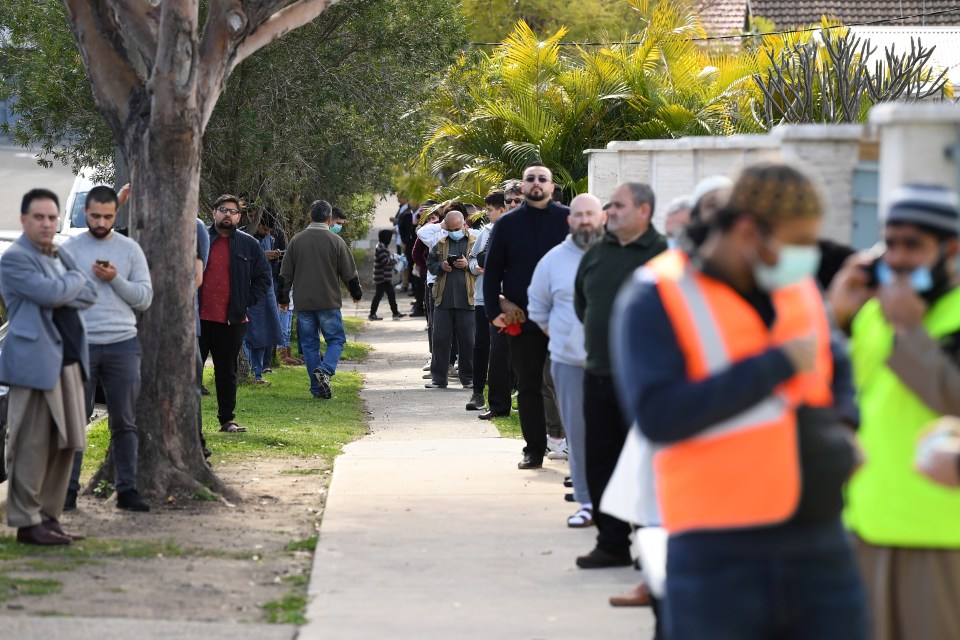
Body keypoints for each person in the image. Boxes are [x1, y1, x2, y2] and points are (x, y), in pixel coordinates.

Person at [614, 162, 865, 639]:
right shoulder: (656, 294)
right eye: (797, 242)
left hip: (821, 539)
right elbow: (658, 415)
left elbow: (834, 363)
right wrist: (774, 365)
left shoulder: (792, 285)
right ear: (749, 231)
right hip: (718, 550)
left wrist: (846, 427)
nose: (805, 256)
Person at [830, 184, 960, 640]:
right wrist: (837, 319)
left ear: (951, 249)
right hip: (867, 525)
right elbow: (845, 395)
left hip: (943, 538)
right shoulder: (874, 311)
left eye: (914, 245)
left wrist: (909, 330)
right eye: (892, 242)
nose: (898, 258)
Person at [572, 182, 667, 568]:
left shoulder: (663, 255)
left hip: (647, 381)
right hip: (598, 375)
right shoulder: (597, 252)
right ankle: (611, 543)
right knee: (602, 461)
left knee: (646, 466)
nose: (609, 212)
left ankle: (649, 545)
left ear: (644, 211)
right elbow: (583, 305)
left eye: (619, 206)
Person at [1, 188, 97, 545]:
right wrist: (71, 283)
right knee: (31, 443)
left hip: (69, 361)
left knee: (67, 442)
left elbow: (89, 293)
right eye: (38, 217)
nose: (46, 223)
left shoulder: (58, 253)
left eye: (52, 217)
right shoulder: (14, 258)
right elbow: (51, 294)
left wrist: (68, 284)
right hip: (35, 364)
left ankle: (48, 517)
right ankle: (27, 522)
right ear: (24, 220)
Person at [62, 185, 153, 512]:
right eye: (96, 216)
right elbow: (58, 298)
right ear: (85, 212)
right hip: (80, 343)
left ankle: (126, 490)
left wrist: (114, 278)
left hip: (122, 345)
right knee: (75, 420)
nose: (101, 222)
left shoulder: (129, 250)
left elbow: (144, 298)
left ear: (117, 214)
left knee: (124, 420)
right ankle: (68, 490)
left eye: (108, 216)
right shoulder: (70, 249)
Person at [483, 164, 570, 469]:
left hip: (565, 318)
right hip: (522, 316)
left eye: (542, 179)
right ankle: (534, 448)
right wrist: (494, 312)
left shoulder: (568, 219)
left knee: (568, 382)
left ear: (550, 185)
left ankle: (572, 444)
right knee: (529, 384)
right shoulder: (507, 224)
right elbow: (493, 270)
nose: (536, 183)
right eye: (530, 179)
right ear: (522, 186)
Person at [527, 193, 606, 528]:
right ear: (570, 220)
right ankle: (587, 503)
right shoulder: (553, 261)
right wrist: (565, 341)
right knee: (578, 432)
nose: (585, 220)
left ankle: (616, 503)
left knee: (615, 432)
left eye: (591, 214)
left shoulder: (618, 256)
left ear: (602, 218)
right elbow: (538, 309)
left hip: (615, 364)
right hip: (569, 363)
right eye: (579, 215)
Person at [198, 194, 273, 432]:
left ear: (239, 217)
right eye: (223, 210)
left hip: (231, 320)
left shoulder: (249, 244)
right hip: (196, 319)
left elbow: (264, 278)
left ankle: (226, 420)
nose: (227, 214)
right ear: (214, 213)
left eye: (232, 211)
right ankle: (187, 422)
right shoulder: (200, 239)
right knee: (189, 372)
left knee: (226, 372)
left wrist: (244, 302)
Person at [279, 200, 362, 399]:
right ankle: (325, 370)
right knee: (336, 340)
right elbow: (349, 273)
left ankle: (317, 389)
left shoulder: (296, 241)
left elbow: (285, 274)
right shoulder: (336, 241)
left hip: (304, 303)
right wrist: (356, 294)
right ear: (328, 219)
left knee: (309, 346)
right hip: (328, 302)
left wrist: (283, 298)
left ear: (310, 216)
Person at [425, 210, 475, 389]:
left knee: (468, 341)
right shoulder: (440, 243)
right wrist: (441, 266)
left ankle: (468, 378)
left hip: (467, 300)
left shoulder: (474, 242)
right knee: (440, 340)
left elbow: (484, 264)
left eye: (457, 228)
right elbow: (430, 264)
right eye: (450, 228)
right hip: (443, 300)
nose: (453, 232)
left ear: (464, 225)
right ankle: (438, 379)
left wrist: (468, 266)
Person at [466, 191, 506, 412]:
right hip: (483, 297)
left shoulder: (513, 231)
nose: (486, 214)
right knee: (481, 344)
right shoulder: (486, 232)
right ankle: (477, 391)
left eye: (489, 210)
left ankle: (505, 393)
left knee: (503, 349)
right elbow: (473, 258)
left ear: (501, 210)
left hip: (507, 297)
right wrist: (476, 267)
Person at [240, 211, 283, 384]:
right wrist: (261, 256)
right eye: (264, 228)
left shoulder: (269, 238)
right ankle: (250, 370)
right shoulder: (243, 236)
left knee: (264, 331)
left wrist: (274, 257)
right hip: (249, 290)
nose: (266, 232)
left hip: (266, 290)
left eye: (269, 230)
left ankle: (258, 371)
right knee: (249, 332)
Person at [369, 229, 406, 321]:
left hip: (384, 277)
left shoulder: (382, 246)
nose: (390, 239)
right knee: (379, 295)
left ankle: (395, 312)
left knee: (391, 294)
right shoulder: (381, 247)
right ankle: (372, 314)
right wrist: (395, 260)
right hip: (382, 277)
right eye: (389, 237)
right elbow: (385, 262)